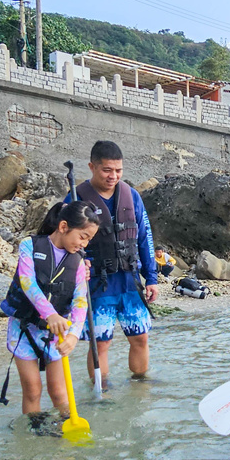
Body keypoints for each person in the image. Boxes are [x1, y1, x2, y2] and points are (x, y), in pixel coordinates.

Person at [67, 140, 159, 384]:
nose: (113, 176)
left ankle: (140, 388)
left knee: (140, 337)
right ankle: (102, 391)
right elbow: (64, 241)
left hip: (130, 281)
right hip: (98, 283)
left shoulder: (132, 196)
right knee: (101, 342)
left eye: (118, 170)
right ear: (92, 167)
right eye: (107, 170)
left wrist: (151, 278)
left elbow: (145, 237)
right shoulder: (76, 197)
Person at [1, 201, 98, 421]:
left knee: (59, 392)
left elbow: (80, 301)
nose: (84, 244)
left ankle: (67, 424)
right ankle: (35, 433)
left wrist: (73, 335)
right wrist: (50, 314)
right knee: (33, 390)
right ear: (63, 227)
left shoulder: (80, 264)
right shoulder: (29, 246)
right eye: (83, 236)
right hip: (23, 329)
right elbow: (27, 283)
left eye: (89, 239)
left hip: (57, 333)